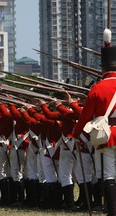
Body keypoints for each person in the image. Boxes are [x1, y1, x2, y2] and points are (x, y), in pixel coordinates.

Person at [73, 31, 116, 216]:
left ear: (102, 69)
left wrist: (76, 134)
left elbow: (85, 117)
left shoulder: (97, 88)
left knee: (108, 174)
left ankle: (112, 211)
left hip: (107, 135)